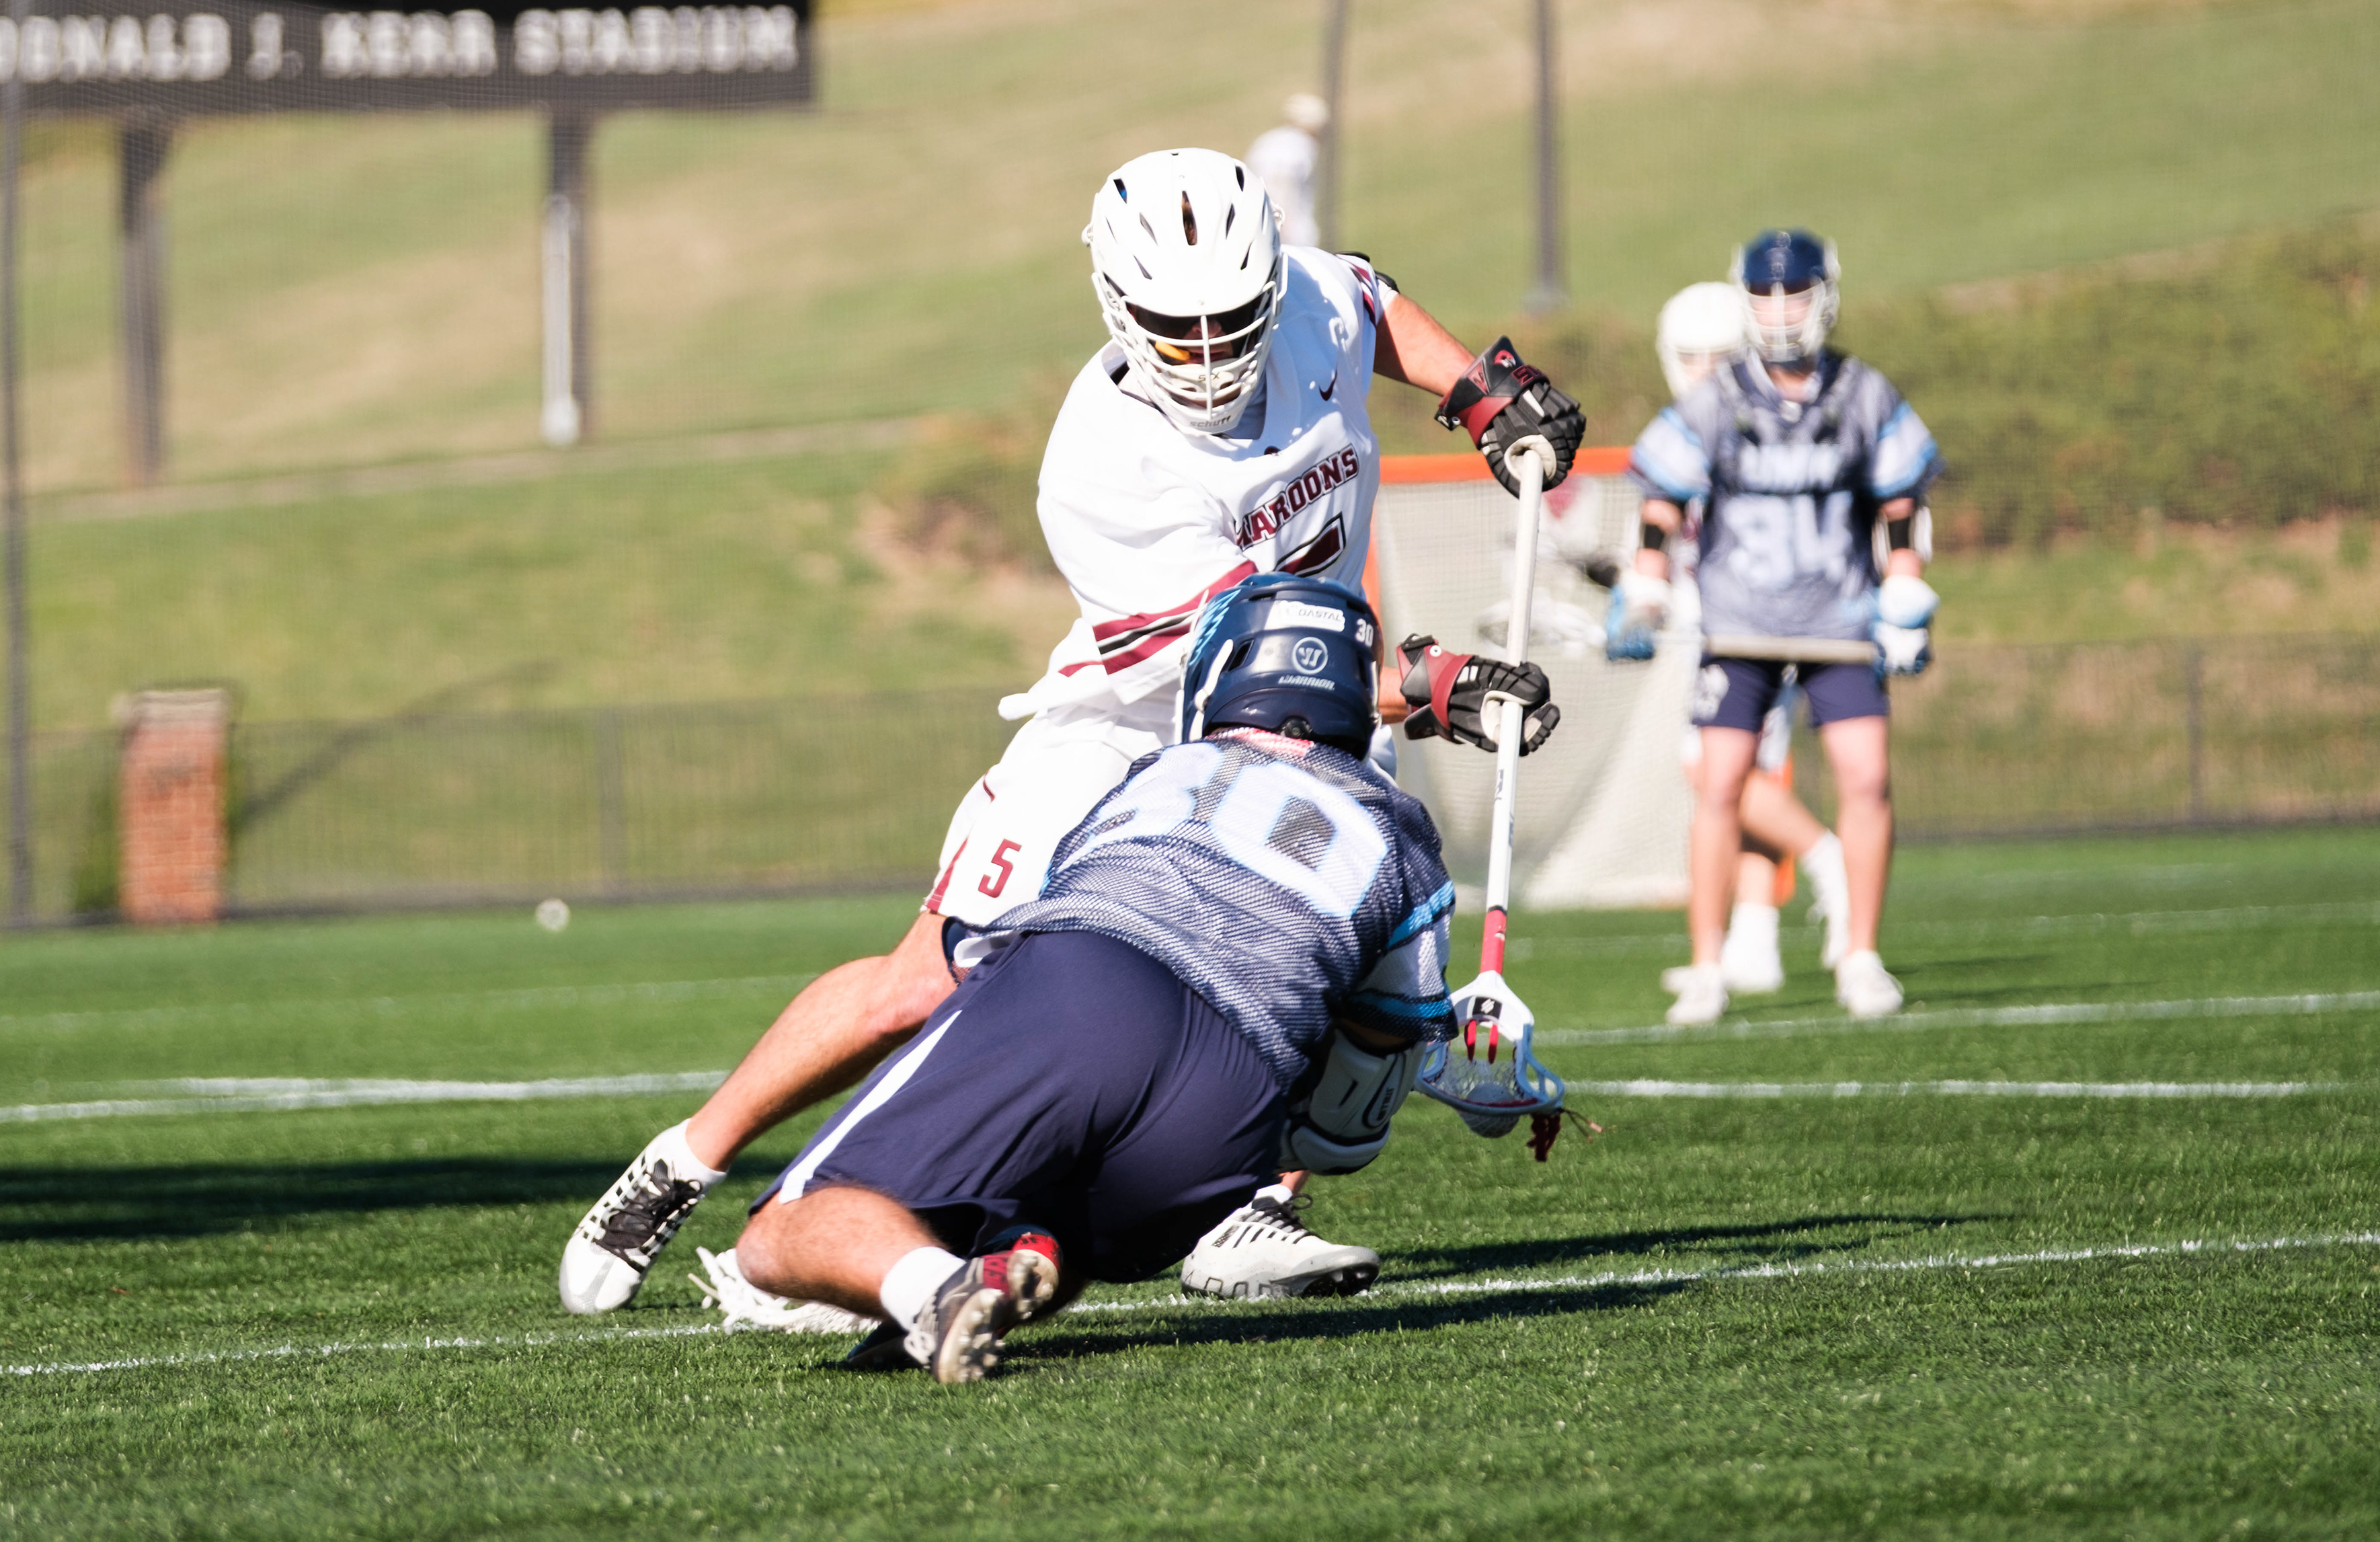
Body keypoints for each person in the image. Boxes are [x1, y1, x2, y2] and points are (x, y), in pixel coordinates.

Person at [561, 145, 1584, 1315]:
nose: (1209, 354)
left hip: (1314, 722)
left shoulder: (1302, 301)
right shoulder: (1101, 465)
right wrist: (1437, 679)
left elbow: (1369, 300)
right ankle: (686, 1155)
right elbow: (1249, 655)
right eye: (1177, 328)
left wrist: (1481, 391)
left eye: (1231, 320)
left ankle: (1251, 1202)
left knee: (1301, 980)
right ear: (1116, 307)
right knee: (926, 978)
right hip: (1141, 720)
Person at [733, 572, 1538, 1383]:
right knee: (1072, 1236)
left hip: (1091, 984)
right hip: (1226, 1112)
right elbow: (1350, 1122)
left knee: (779, 1232)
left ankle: (932, 1287)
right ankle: (990, 1275)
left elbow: (1064, 908)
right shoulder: (1405, 842)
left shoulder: (1160, 772)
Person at [1611, 231, 1940, 1025]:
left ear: (1825, 296)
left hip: (1838, 617)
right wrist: (1646, 581)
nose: (1782, 311)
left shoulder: (1863, 392)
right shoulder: (1720, 396)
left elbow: (1901, 499)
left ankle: (1860, 955)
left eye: (1795, 294)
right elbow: (1663, 495)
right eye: (1766, 295)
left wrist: (1903, 589)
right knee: (1718, 783)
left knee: (1866, 777)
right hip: (1742, 622)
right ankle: (1705, 966)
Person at [1628, 282, 1852, 997]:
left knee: (1711, 770)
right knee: (1749, 771)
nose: (1702, 369)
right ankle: (1755, 943)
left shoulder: (1760, 424)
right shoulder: (1698, 421)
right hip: (1726, 617)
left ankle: (1827, 857)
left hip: (1770, 617)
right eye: (1690, 356)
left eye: (1717, 355)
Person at [1245, 93, 1327, 245]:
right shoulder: (1302, 146)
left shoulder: (1267, 141)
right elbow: (1281, 192)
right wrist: (1284, 232)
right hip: (1291, 238)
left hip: (1256, 230)